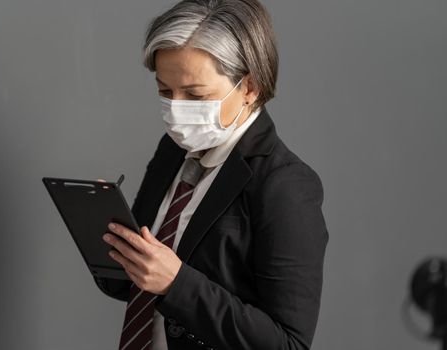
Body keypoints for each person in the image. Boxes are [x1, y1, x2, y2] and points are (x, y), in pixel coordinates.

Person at [95, 0, 329, 349]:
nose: (176, 110)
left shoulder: (285, 185)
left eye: (194, 95)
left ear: (250, 88)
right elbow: (132, 285)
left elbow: (288, 343)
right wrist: (112, 237)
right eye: (164, 91)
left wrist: (177, 284)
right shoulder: (172, 150)